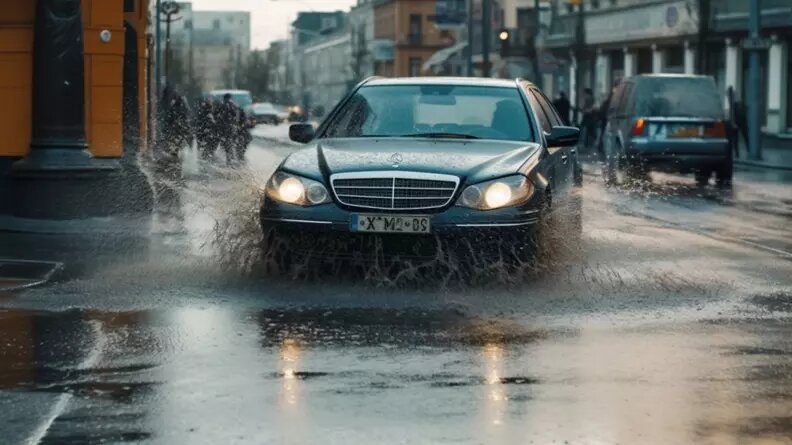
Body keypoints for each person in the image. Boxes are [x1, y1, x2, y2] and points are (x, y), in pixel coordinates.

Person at [216, 93, 242, 165]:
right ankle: (232, 158)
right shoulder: (235, 105)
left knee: (226, 142)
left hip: (225, 127)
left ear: (224, 98)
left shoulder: (223, 104)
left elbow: (219, 116)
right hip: (233, 127)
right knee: (231, 142)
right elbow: (238, 117)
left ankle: (229, 159)